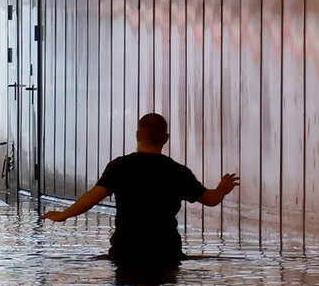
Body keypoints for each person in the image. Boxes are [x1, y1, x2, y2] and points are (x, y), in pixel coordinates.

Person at [41, 113, 240, 266]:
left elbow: (89, 200)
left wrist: (64, 214)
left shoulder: (119, 167)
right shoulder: (178, 172)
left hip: (126, 250)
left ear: (137, 135)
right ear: (166, 138)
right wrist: (222, 188)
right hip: (166, 251)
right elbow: (211, 200)